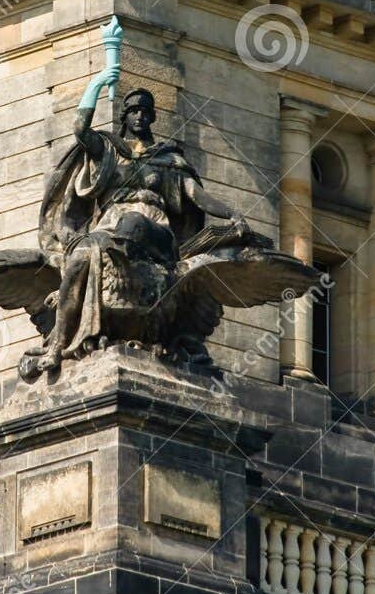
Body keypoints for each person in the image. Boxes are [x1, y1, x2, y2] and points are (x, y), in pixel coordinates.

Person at [28, 72, 256, 375]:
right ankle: (57, 344)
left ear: (152, 118)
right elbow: (80, 130)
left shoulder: (166, 158)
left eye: (146, 112)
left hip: (154, 231)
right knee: (80, 255)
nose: (140, 117)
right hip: (110, 228)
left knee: (133, 222)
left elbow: (196, 195)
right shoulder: (109, 151)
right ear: (125, 116)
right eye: (135, 111)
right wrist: (95, 86)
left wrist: (231, 215)